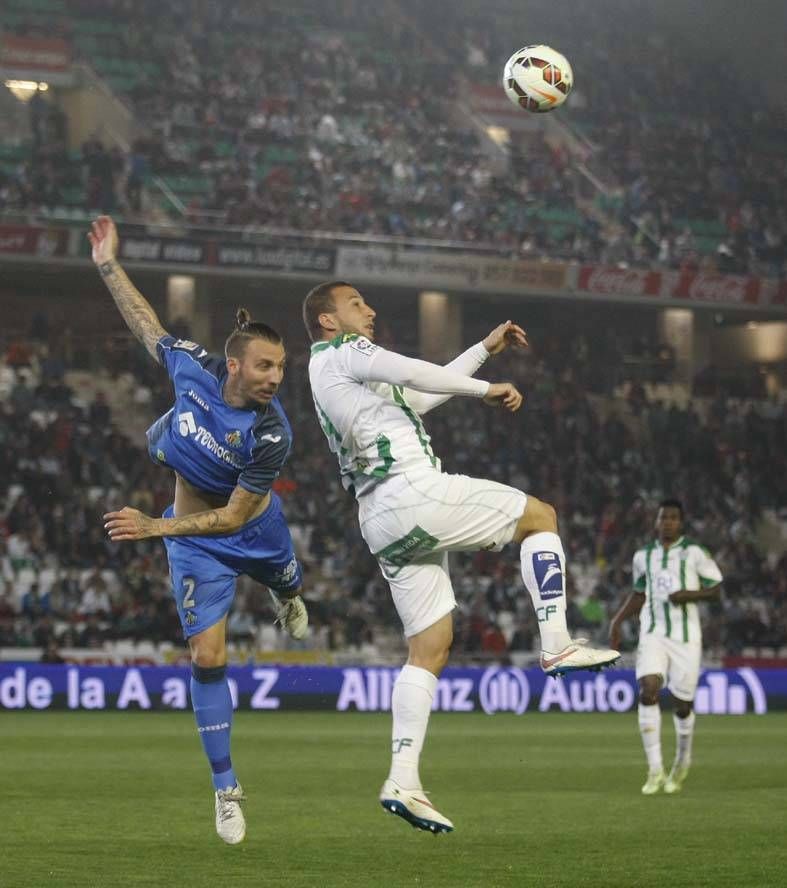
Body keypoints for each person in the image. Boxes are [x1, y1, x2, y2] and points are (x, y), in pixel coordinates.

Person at [302, 280, 619, 834]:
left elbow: (420, 396)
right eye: (356, 304)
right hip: (412, 491)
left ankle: (402, 778)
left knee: (429, 647)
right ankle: (557, 645)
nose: (370, 309)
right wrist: (488, 386)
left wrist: (481, 350)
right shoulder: (343, 352)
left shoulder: (341, 377)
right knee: (540, 516)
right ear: (329, 321)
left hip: (380, 519)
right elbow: (413, 371)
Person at [89, 215, 307, 845]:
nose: (275, 378)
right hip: (193, 543)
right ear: (233, 366)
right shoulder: (192, 367)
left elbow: (235, 515)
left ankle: (286, 591)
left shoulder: (273, 433)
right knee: (207, 657)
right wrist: (108, 265)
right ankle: (225, 788)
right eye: (265, 366)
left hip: (252, 529)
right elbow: (147, 325)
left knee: (289, 585)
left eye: (282, 369)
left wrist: (156, 526)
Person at [609, 499, 723, 795]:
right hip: (653, 633)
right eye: (664, 517)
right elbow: (638, 594)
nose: (669, 522)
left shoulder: (694, 553)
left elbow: (716, 590)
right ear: (656, 522)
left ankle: (682, 761)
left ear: (681, 523)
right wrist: (618, 621)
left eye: (674, 518)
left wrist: (686, 595)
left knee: (682, 705)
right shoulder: (642, 557)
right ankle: (655, 769)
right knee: (648, 688)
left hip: (686, 637)